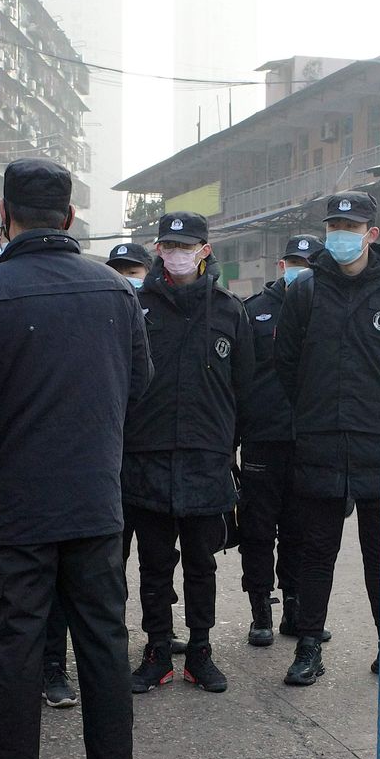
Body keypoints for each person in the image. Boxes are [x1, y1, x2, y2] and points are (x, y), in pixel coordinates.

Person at [0, 158, 150, 759]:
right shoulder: (114, 291)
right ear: (72, 219)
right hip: (92, 496)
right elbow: (139, 386)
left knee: (18, 642)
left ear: (6, 215)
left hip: (15, 502)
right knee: (104, 638)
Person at [124, 211, 253, 695]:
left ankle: (200, 649)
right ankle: (157, 649)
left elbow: (245, 390)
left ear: (205, 249)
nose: (176, 253)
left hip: (206, 458)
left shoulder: (228, 310)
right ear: (157, 250)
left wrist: (226, 445)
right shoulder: (135, 306)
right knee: (154, 563)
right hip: (147, 456)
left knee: (203, 563)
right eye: (168, 245)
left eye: (186, 245)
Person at [274, 191, 380, 685]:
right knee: (315, 553)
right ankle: (307, 648)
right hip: (320, 440)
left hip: (379, 443)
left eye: (351, 227)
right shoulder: (306, 290)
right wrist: (312, 411)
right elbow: (286, 363)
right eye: (334, 227)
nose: (341, 235)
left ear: (371, 233)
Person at [238, 234, 321, 648]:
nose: (298, 268)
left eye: (306, 263)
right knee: (256, 528)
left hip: (307, 439)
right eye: (292, 261)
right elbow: (239, 379)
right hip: (263, 438)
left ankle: (295, 608)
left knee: (299, 531)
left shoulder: (324, 309)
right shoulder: (253, 312)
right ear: (280, 265)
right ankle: (260, 612)